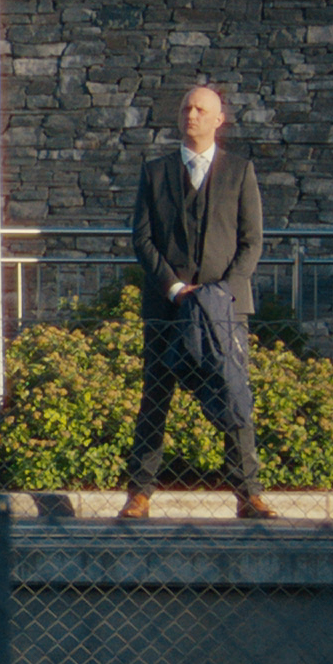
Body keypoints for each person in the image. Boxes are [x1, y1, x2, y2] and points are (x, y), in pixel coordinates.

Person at [120, 81, 277, 521]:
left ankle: (249, 493)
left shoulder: (240, 171)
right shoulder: (155, 172)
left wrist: (222, 291)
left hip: (224, 308)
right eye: (187, 108)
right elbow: (143, 238)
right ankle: (140, 493)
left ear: (218, 119)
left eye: (201, 109)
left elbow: (252, 241)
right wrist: (173, 286)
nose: (192, 115)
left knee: (233, 392)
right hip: (167, 306)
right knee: (156, 396)